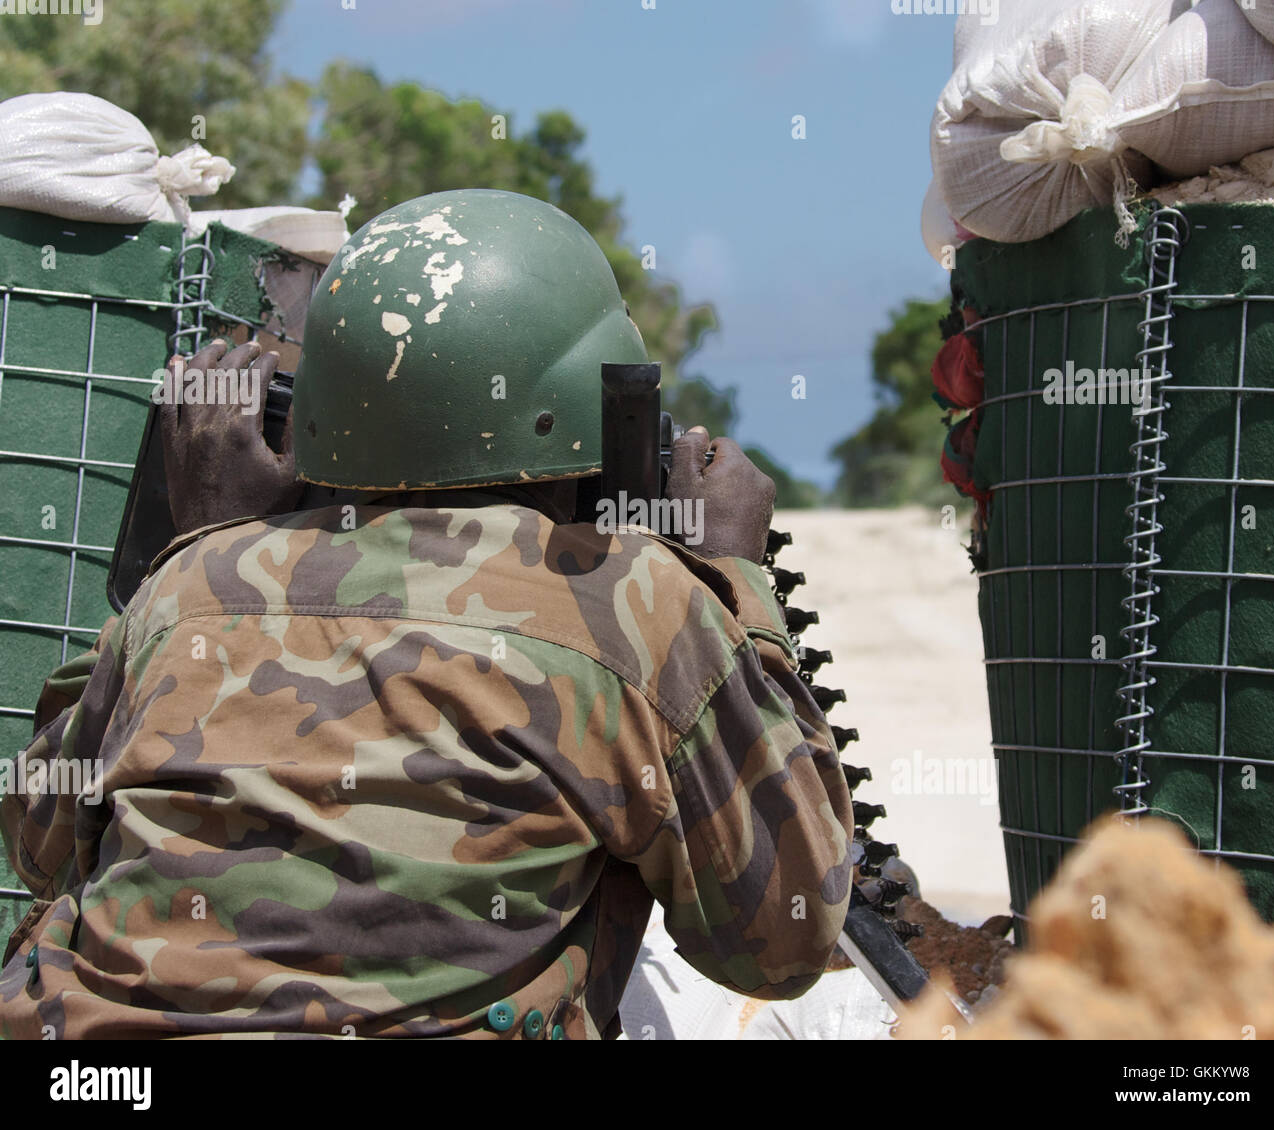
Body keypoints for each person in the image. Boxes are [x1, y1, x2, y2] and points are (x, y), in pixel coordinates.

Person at [0, 189, 853, 1039]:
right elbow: (782, 939)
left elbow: (37, 838)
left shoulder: (192, 585)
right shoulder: (633, 604)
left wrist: (200, 548)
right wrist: (733, 579)